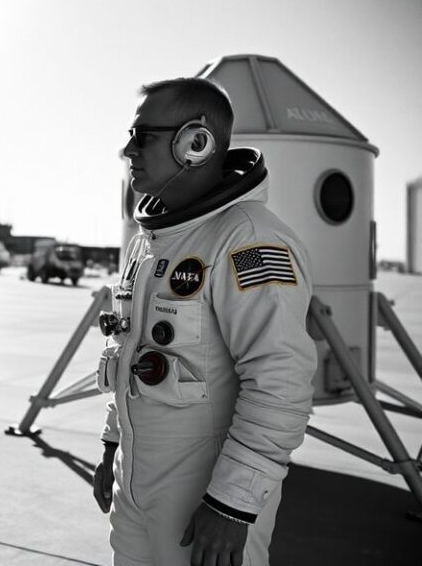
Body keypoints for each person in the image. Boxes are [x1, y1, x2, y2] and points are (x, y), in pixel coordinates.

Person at [93, 77, 318, 566]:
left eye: (142, 136)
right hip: (136, 484)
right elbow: (131, 355)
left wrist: (234, 504)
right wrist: (112, 446)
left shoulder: (248, 240)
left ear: (195, 143)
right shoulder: (149, 242)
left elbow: (279, 381)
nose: (127, 150)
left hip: (202, 498)